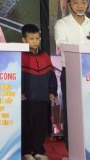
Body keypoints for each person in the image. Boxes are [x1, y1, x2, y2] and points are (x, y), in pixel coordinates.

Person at [53, 0, 90, 148]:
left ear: (88, 4)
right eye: (76, 2)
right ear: (69, 4)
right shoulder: (62, 24)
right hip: (72, 72)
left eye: (84, 2)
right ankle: (72, 147)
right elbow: (61, 43)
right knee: (71, 109)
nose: (80, 5)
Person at [20, 24, 56, 160]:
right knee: (26, 126)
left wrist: (52, 91)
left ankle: (38, 151)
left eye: (37, 38)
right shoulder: (21, 56)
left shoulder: (45, 56)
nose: (35, 41)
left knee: (40, 126)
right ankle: (26, 152)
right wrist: (20, 92)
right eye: (31, 39)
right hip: (27, 99)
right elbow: (17, 76)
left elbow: (51, 75)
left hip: (42, 98)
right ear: (24, 40)